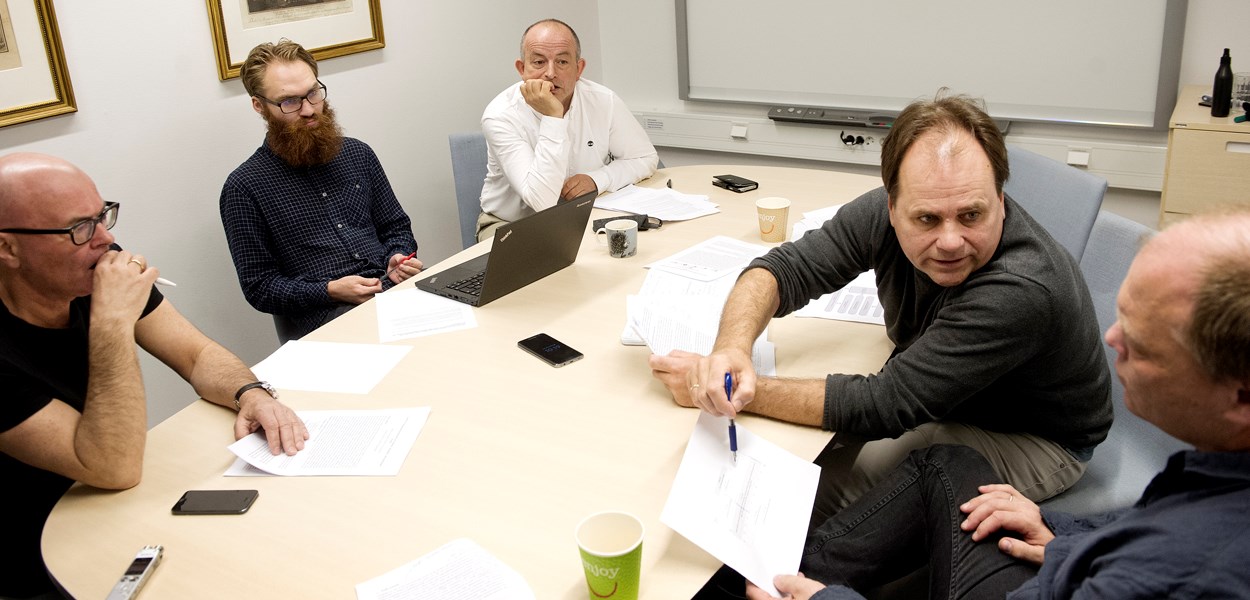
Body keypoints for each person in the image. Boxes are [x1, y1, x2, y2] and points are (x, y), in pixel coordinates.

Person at [651, 92, 1112, 526]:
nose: (950, 240)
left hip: (1034, 438)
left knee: (809, 488)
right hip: (952, 399)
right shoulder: (886, 212)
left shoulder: (1021, 288)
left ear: (1001, 200)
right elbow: (782, 269)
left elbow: (885, 404)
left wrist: (733, 389)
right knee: (795, 452)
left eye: (972, 215)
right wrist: (731, 350)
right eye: (927, 219)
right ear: (892, 208)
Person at [749, 207, 1250, 600]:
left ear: (1240, 397)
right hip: (1063, 553)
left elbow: (885, 403)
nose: (1112, 338)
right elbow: (1141, 523)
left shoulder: (1182, 572)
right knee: (948, 464)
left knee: (834, 483)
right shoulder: (1215, 475)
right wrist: (1061, 534)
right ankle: (780, 575)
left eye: (1144, 344)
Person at [0, 152, 309, 599]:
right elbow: (111, 466)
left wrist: (251, 393)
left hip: (117, 506)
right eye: (78, 229)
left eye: (103, 215)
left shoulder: (92, 264)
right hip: (46, 554)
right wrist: (111, 323)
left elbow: (196, 354)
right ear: (7, 248)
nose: (106, 240)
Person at [220, 39, 422, 343]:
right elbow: (260, 288)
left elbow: (396, 226)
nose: (308, 110)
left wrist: (397, 256)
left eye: (313, 93)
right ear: (259, 105)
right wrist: (328, 290)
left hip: (398, 292)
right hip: (330, 318)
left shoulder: (358, 154)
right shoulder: (244, 187)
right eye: (289, 102)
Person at [476, 18, 659, 241]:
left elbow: (645, 158)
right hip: (511, 225)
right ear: (522, 69)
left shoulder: (603, 100)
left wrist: (598, 179)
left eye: (562, 62)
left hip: (585, 218)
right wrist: (553, 117)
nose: (550, 73)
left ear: (578, 68)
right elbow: (541, 202)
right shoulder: (500, 114)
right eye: (539, 62)